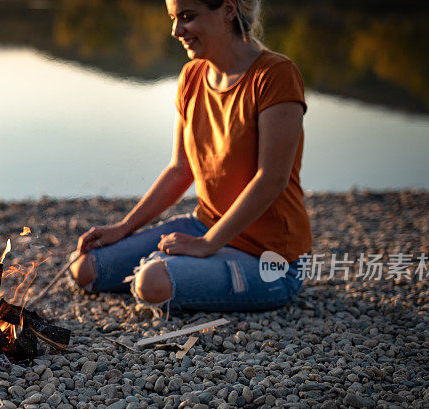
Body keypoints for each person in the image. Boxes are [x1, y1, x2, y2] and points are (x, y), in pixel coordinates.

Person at [71, 0, 311, 313]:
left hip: (272, 257)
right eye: (173, 18)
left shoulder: (275, 75)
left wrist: (208, 244)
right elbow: (180, 169)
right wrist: (124, 227)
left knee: (152, 282)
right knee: (86, 268)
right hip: (205, 225)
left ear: (227, 10)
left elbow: (272, 178)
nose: (176, 30)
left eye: (187, 17)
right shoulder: (192, 76)